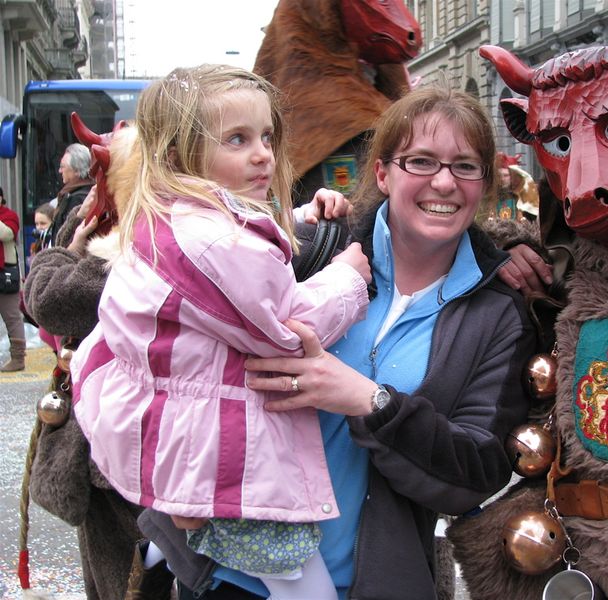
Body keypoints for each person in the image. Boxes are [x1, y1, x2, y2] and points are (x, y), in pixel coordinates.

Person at [140, 85, 541, 599]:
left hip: (367, 584)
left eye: (465, 166)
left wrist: (368, 401)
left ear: (484, 183)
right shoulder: (310, 244)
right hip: (223, 573)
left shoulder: (499, 313)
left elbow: (476, 473)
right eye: (421, 161)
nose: (444, 182)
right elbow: (170, 314)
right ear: (383, 173)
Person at [68, 64, 371, 600]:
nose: (263, 154)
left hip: (184, 439)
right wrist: (348, 278)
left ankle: (172, 537)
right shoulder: (213, 242)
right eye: (237, 139)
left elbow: (240, 250)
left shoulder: (177, 219)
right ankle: (185, 531)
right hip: (222, 454)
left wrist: (301, 215)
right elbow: (285, 329)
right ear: (180, 155)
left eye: (266, 137)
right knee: (306, 585)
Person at [0, 185, 25, 372]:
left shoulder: (10, 216)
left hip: (5, 274)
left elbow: (6, 234)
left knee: (12, 316)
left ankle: (18, 358)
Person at [50, 143, 93, 242]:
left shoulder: (76, 199)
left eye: (62, 167)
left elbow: (69, 238)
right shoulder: (91, 191)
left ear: (77, 169)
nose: (60, 171)